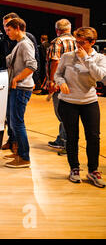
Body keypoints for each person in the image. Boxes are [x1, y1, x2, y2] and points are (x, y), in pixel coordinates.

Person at [55, 27, 106, 187]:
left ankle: (93, 170)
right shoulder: (67, 56)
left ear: (92, 42)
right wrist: (61, 83)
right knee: (72, 137)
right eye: (76, 41)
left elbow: (99, 77)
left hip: (89, 102)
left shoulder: (99, 58)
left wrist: (86, 59)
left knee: (93, 138)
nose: (78, 45)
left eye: (82, 42)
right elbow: (58, 74)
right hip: (68, 103)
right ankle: (74, 169)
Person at [0, 13, 40, 151]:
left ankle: (23, 156)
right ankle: (18, 152)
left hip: (21, 88)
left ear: (17, 28)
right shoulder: (19, 44)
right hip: (18, 88)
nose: (7, 33)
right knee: (14, 121)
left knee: (17, 123)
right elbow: (7, 61)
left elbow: (32, 65)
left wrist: (17, 78)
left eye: (9, 30)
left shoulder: (25, 44)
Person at [44, 19, 76, 153]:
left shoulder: (57, 42)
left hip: (60, 82)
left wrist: (52, 81)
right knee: (68, 112)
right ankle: (62, 138)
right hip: (74, 82)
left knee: (61, 113)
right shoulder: (76, 41)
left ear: (57, 30)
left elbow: (55, 62)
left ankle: (65, 142)